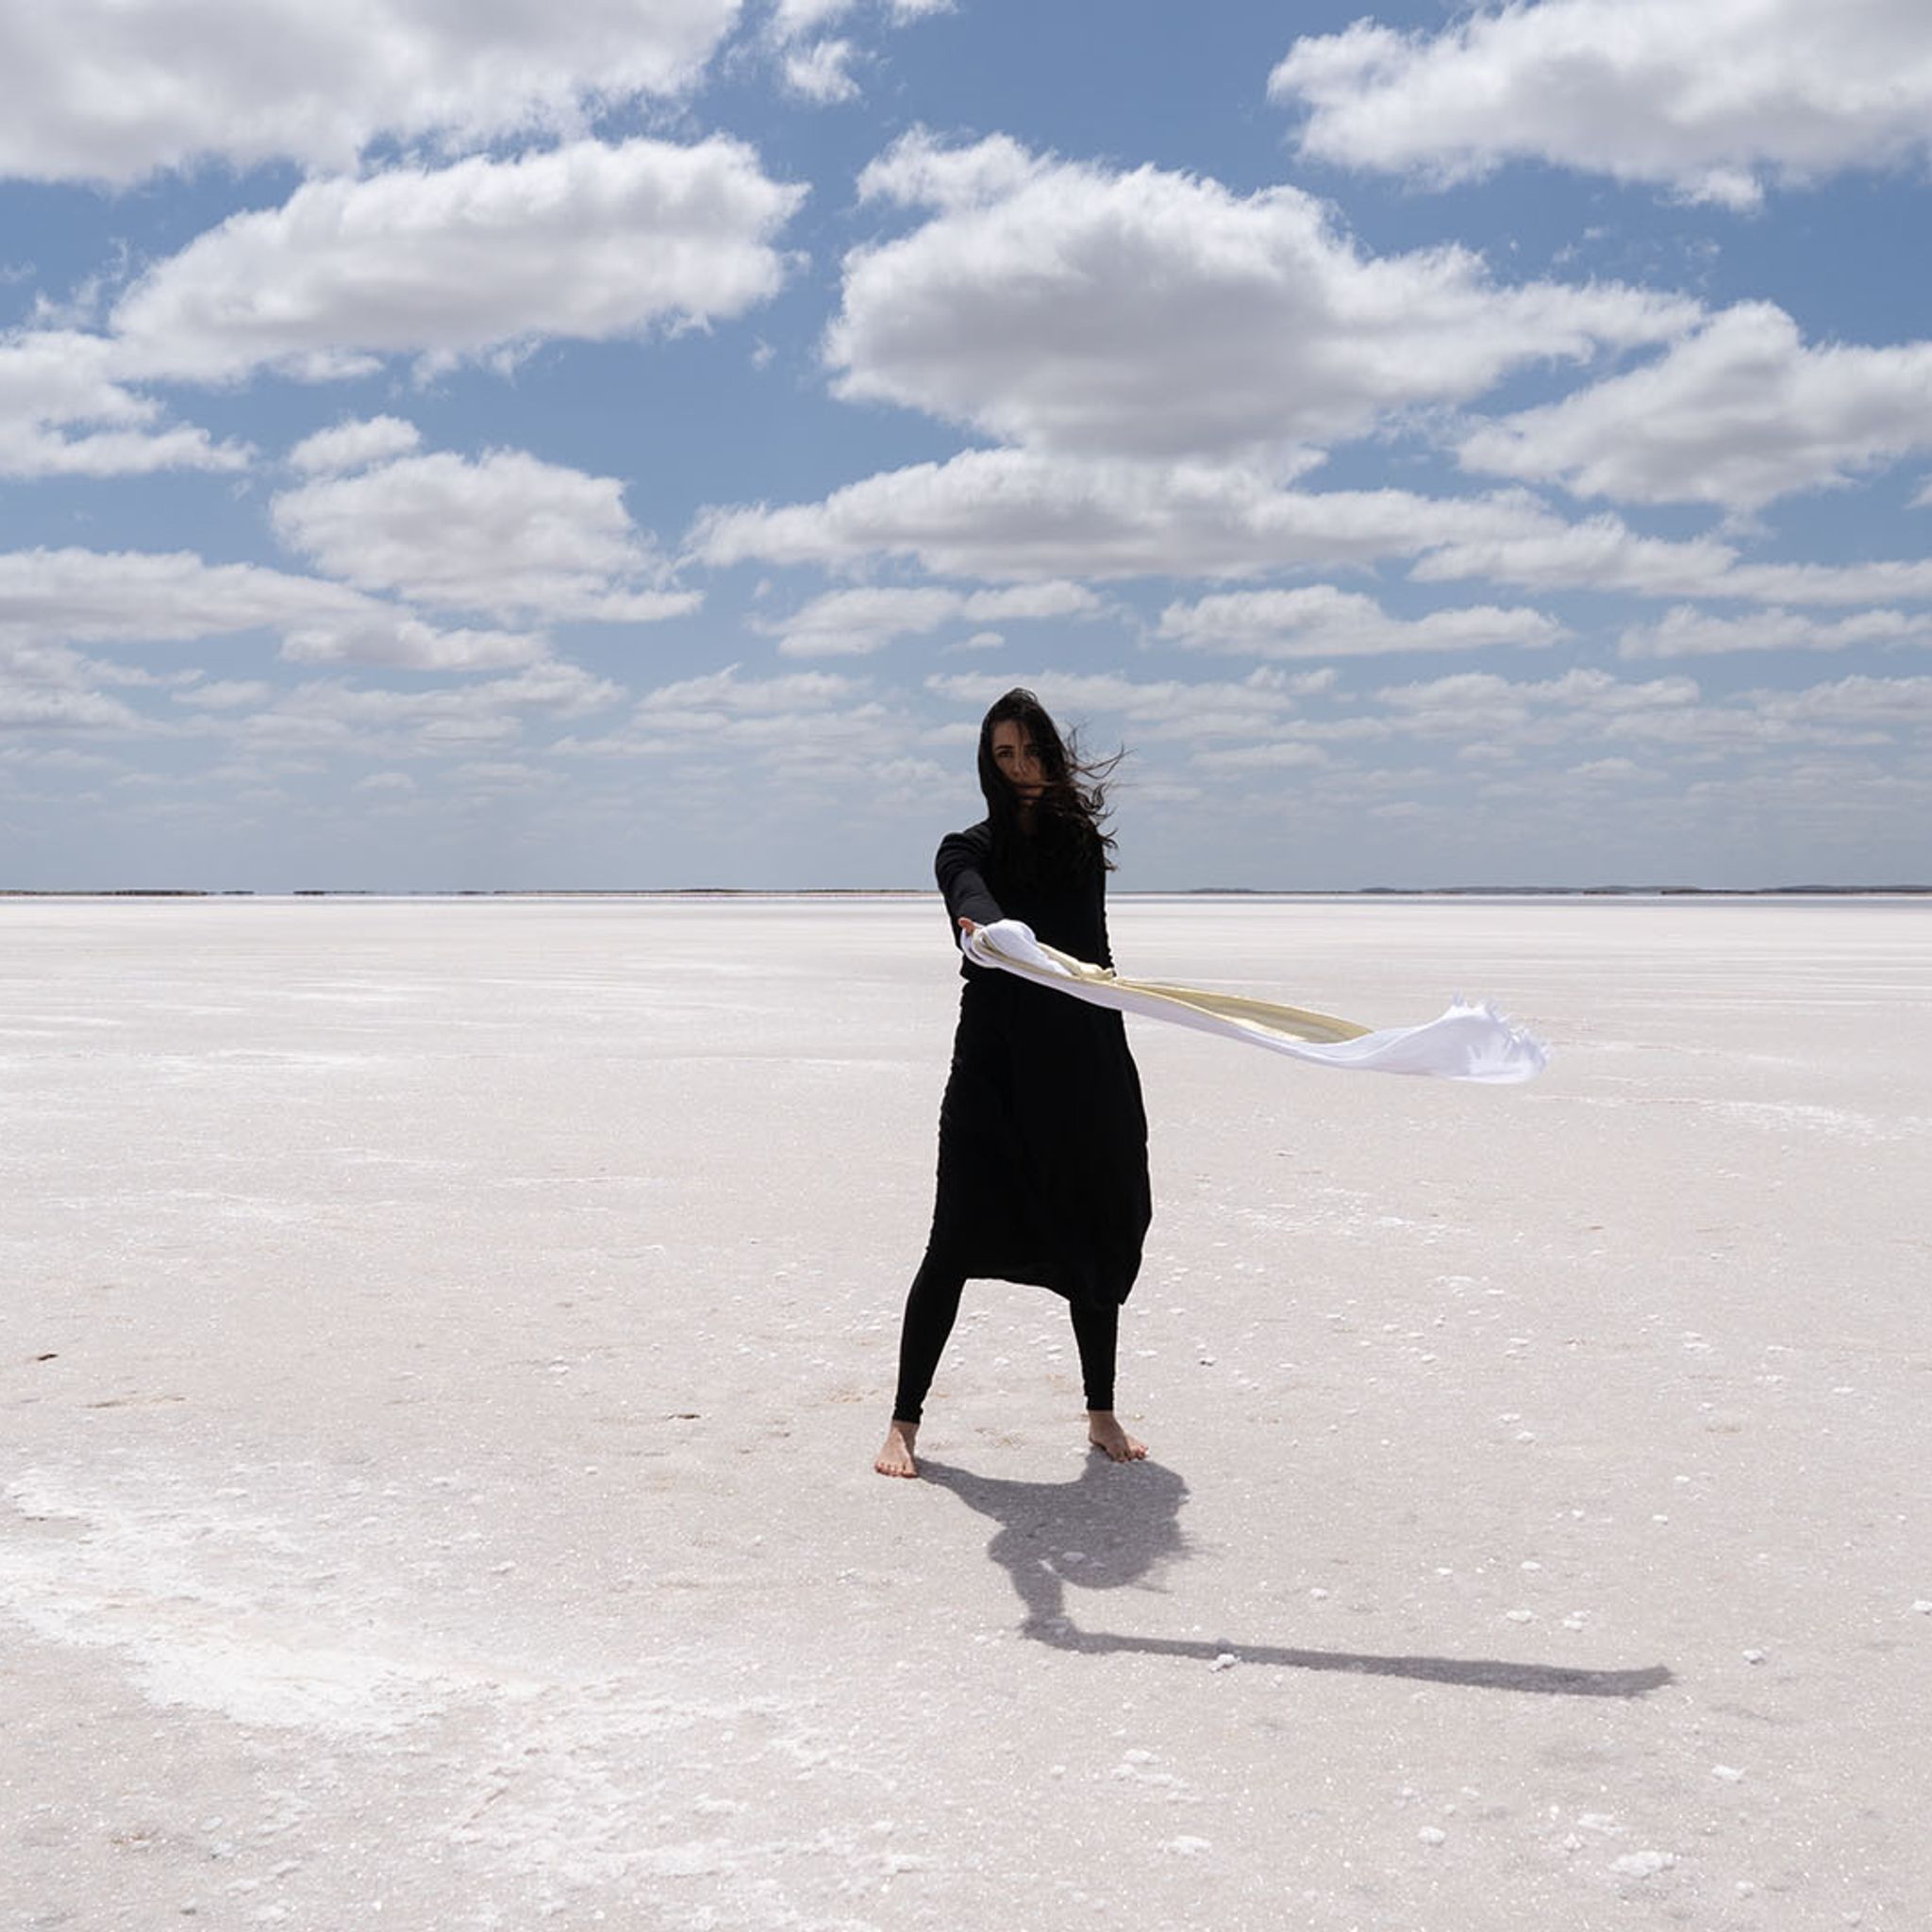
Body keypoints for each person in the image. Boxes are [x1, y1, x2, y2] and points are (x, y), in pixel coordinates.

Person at [874, 688, 1152, 1479]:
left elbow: (1092, 949)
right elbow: (970, 902)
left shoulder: (1077, 845)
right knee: (954, 1237)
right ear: (986, 764)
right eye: (1004, 754)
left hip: (1083, 1058)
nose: (1021, 767)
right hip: (995, 1068)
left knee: (1098, 1228)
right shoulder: (966, 848)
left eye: (1031, 750)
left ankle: (1100, 1414)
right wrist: (986, 932)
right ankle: (903, 1424)